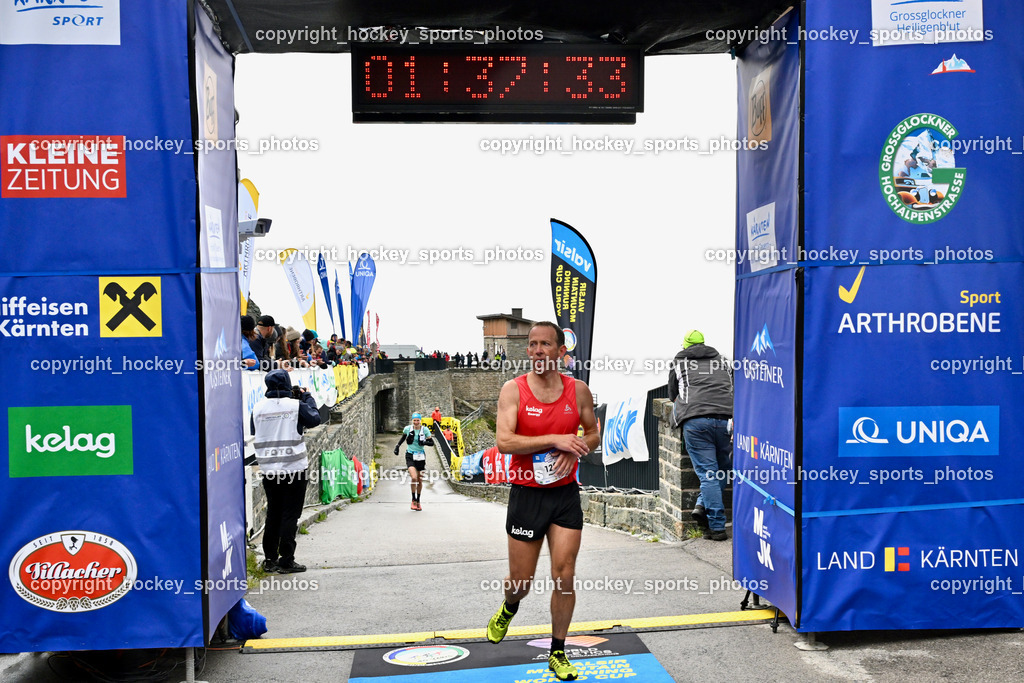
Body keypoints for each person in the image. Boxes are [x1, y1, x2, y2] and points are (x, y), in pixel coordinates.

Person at [486, 322, 599, 682]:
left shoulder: (578, 390)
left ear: (560, 351)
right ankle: (509, 608)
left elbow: (593, 432)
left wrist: (579, 448)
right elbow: (505, 442)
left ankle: (558, 652)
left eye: (545, 344)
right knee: (521, 581)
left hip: (564, 495)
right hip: (527, 495)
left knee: (564, 575)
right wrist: (558, 440)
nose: (537, 351)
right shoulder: (513, 390)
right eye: (532, 344)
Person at [251, 369, 321, 573]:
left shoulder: (257, 408)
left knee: (273, 513)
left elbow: (257, 431)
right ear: (289, 385)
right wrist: (307, 396)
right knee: (290, 514)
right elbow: (314, 419)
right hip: (294, 469)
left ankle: (270, 559)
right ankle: (286, 559)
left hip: (269, 470)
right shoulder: (295, 405)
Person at [667, 330, 734, 541]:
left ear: (685, 346)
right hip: (726, 420)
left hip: (696, 422)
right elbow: (735, 388)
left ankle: (716, 526)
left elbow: (672, 395)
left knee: (709, 475)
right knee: (723, 472)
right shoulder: (723, 362)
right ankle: (701, 505)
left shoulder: (679, 364)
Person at [394, 412, 433, 511]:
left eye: (417, 420)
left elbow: (431, 442)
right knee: (414, 477)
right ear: (412, 421)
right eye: (414, 420)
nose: (416, 422)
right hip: (410, 455)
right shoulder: (408, 429)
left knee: (419, 480)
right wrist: (397, 446)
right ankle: (413, 499)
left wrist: (424, 442)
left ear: (420, 421)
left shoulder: (425, 430)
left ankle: (418, 501)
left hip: (420, 456)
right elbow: (403, 438)